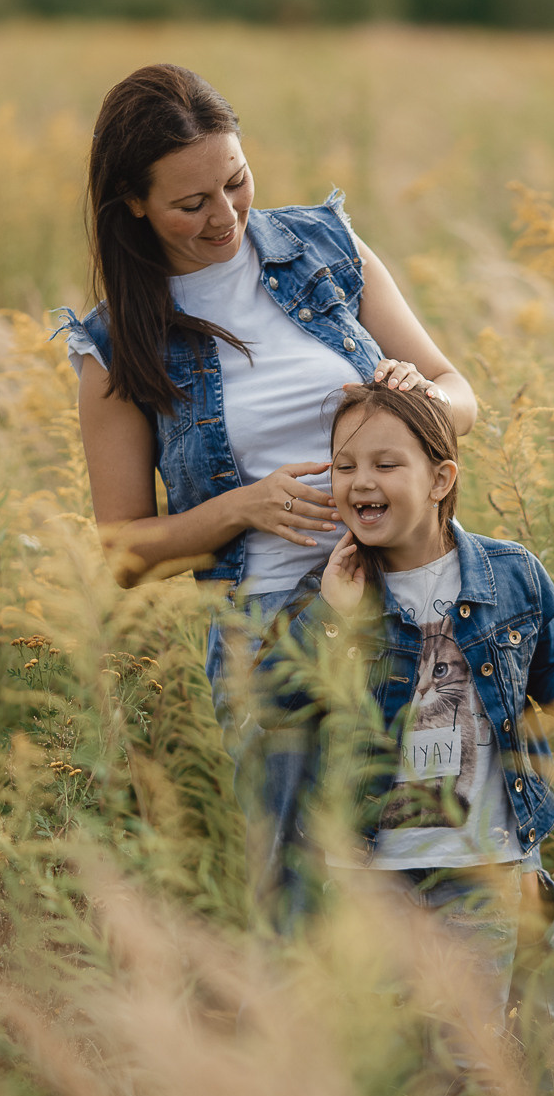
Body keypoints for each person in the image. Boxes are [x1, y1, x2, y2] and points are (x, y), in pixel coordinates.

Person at [54, 64, 476, 926]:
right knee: (311, 912)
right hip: (277, 640)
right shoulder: (116, 348)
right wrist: (240, 509)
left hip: (421, 605)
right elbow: (121, 552)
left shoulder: (328, 248)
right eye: (191, 202)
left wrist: (419, 399)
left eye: (236, 181)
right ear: (133, 204)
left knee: (455, 886)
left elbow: (459, 391)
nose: (226, 216)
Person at [267, 380, 554, 1077]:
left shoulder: (510, 573)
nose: (361, 481)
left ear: (440, 477)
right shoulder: (330, 589)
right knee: (387, 1053)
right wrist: (333, 615)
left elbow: (552, 657)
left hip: (478, 856)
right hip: (371, 866)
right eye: (345, 465)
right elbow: (280, 700)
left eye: (386, 464)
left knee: (470, 1046)